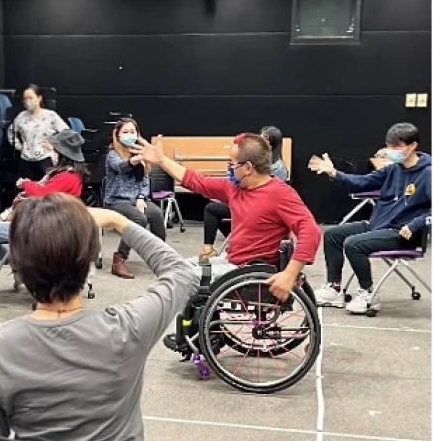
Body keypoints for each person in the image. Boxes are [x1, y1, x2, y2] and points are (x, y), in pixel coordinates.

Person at [0, 193, 192, 441]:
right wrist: (119, 221)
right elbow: (180, 272)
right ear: (88, 265)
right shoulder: (125, 329)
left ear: (17, 265)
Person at [130, 133, 321, 349]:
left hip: (249, 270)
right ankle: (198, 330)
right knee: (178, 268)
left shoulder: (280, 194)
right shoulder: (237, 188)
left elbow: (311, 231)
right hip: (234, 262)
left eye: (231, 164)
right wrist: (162, 160)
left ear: (247, 167)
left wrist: (290, 274)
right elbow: (196, 181)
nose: (228, 168)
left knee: (183, 278)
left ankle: (195, 337)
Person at [309, 122, 432, 314]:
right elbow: (362, 183)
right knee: (332, 235)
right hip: (380, 226)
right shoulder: (393, 169)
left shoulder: (427, 173)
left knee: (353, 244)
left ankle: (367, 294)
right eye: (389, 146)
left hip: (404, 233)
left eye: (397, 147)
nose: (391, 151)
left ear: (413, 145)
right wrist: (334, 173)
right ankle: (334, 288)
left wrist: (417, 223)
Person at [0, 130, 88, 287]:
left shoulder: (67, 176)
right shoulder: (69, 175)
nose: (51, 153)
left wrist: (25, 184)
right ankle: (18, 266)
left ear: (61, 154)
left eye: (54, 150)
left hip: (38, 227)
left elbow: (44, 193)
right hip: (45, 225)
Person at [197, 125, 290, 261]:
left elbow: (259, 191)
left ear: (270, 141)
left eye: (263, 138)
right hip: (248, 204)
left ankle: (209, 249)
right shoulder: (265, 163)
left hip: (256, 210)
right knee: (215, 207)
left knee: (212, 209)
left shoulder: (276, 168)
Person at [104, 118, 166, 279]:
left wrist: (140, 197)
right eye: (125, 132)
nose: (129, 135)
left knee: (157, 215)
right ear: (117, 135)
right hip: (116, 201)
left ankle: (161, 257)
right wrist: (134, 160)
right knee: (139, 219)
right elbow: (120, 167)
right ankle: (119, 259)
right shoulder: (112, 154)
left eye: (133, 132)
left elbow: (145, 180)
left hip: (136, 200)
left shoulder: (140, 153)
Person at [8, 83, 68, 181]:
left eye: (30, 98)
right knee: (28, 190)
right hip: (26, 159)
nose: (28, 101)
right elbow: (11, 132)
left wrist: (54, 146)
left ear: (39, 98)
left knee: (46, 189)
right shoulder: (21, 116)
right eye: (25, 99)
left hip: (45, 158)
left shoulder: (50, 115)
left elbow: (66, 132)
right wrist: (19, 146)